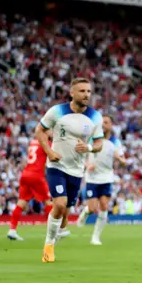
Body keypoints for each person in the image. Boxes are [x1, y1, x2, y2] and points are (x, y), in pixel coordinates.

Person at [36, 77, 104, 263]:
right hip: (56, 166)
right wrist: (49, 151)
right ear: (72, 93)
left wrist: (88, 148)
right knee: (59, 204)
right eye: (82, 91)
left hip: (76, 171)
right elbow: (39, 131)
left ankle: (54, 234)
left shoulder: (95, 116)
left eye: (89, 91)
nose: (86, 95)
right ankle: (48, 246)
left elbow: (99, 143)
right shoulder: (57, 111)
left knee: (64, 219)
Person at [77, 115, 126, 245]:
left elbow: (123, 162)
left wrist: (120, 159)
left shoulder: (115, 142)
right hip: (92, 177)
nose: (104, 125)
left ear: (111, 125)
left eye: (106, 122)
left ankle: (95, 237)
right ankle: (85, 212)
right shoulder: (92, 139)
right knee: (92, 208)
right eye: (101, 122)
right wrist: (87, 165)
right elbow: (80, 155)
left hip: (106, 177)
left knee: (104, 205)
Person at [7, 133, 53, 241]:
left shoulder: (33, 142)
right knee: (47, 201)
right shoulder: (46, 143)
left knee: (21, 203)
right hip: (36, 176)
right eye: (50, 130)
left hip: (26, 174)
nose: (52, 133)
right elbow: (53, 156)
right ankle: (54, 232)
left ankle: (12, 230)